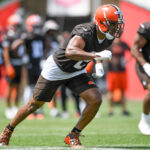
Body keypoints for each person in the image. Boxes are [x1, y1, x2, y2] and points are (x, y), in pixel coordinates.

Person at [0, 4, 124, 148]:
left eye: (118, 24)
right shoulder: (85, 31)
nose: (117, 27)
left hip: (76, 71)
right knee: (34, 104)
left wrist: (98, 62)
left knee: (95, 99)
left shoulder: (108, 37)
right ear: (101, 22)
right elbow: (70, 51)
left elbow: (95, 53)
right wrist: (95, 56)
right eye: (114, 24)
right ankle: (8, 130)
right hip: (58, 68)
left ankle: (73, 135)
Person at [2, 14, 24, 119]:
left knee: (18, 86)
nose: (17, 26)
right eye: (16, 24)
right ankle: (8, 107)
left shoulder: (19, 35)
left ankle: (15, 107)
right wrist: (8, 65)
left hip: (18, 63)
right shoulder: (8, 36)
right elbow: (5, 52)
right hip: (12, 64)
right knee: (10, 87)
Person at [131, 21, 150, 135]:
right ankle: (144, 119)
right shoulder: (147, 28)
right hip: (145, 63)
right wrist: (145, 65)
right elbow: (134, 49)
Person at [106, 38, 130, 116]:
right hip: (111, 71)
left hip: (121, 71)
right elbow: (104, 54)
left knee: (122, 91)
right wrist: (106, 61)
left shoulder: (123, 44)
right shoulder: (109, 44)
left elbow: (132, 51)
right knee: (111, 91)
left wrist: (127, 60)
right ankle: (110, 110)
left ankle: (124, 110)